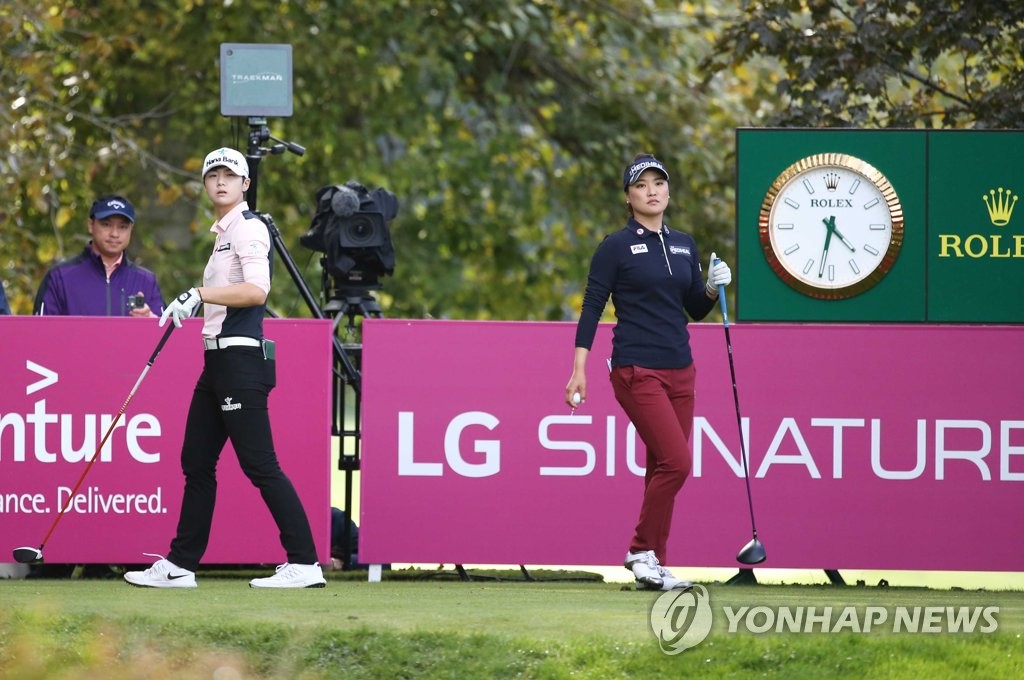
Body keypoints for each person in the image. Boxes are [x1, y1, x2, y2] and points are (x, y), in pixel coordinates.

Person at [123, 147, 325, 589]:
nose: (220, 181)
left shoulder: (249, 228)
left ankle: (305, 563)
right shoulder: (223, 234)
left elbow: (256, 291)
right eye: (212, 175)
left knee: (260, 464)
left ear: (245, 184)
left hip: (239, 360)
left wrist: (198, 294)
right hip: (216, 361)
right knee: (196, 460)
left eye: (229, 176)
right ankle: (180, 565)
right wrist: (194, 302)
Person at [565, 153, 732, 592]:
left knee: (661, 466)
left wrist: (712, 286)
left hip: (681, 369)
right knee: (678, 463)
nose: (652, 191)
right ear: (629, 197)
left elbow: (694, 308)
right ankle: (641, 550)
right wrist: (579, 368)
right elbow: (592, 306)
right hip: (637, 369)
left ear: (668, 192)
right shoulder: (615, 247)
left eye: (659, 183)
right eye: (641, 185)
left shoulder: (684, 245)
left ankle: (655, 564)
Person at [33, 195, 164, 317]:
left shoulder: (146, 281)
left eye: (123, 227)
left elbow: (168, 331)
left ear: (131, 229)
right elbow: (39, 330)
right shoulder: (59, 277)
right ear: (91, 225)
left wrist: (151, 320)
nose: (114, 234)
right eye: (106, 225)